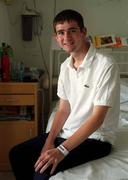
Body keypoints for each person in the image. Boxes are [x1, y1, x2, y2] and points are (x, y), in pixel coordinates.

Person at [9, 9, 120, 180]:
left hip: (96, 139)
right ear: (56, 37)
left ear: (83, 32)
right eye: (61, 32)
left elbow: (97, 119)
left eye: (72, 30)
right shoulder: (65, 67)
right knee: (17, 154)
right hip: (67, 133)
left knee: (42, 171)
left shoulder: (105, 65)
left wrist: (61, 150)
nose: (66, 37)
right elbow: (63, 110)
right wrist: (49, 141)